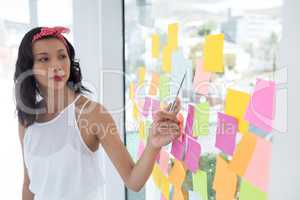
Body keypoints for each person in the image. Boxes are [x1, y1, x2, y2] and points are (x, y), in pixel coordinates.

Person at [14, 26, 181, 200]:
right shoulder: (27, 120)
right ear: (29, 67)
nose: (56, 65)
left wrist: (153, 145)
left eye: (62, 56)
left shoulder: (92, 114)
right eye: (44, 59)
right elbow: (29, 183)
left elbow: (133, 180)